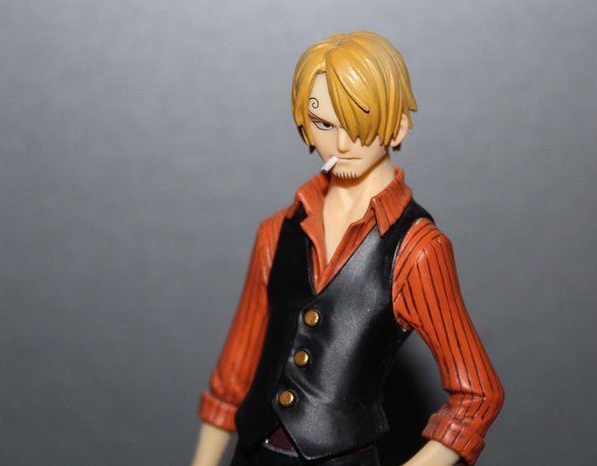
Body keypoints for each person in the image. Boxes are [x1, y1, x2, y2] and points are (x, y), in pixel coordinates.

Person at [191, 31, 504, 466]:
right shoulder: (276, 233)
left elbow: (478, 394)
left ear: (398, 124)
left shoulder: (415, 249)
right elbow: (232, 378)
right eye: (324, 123)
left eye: (360, 122)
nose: (341, 144)